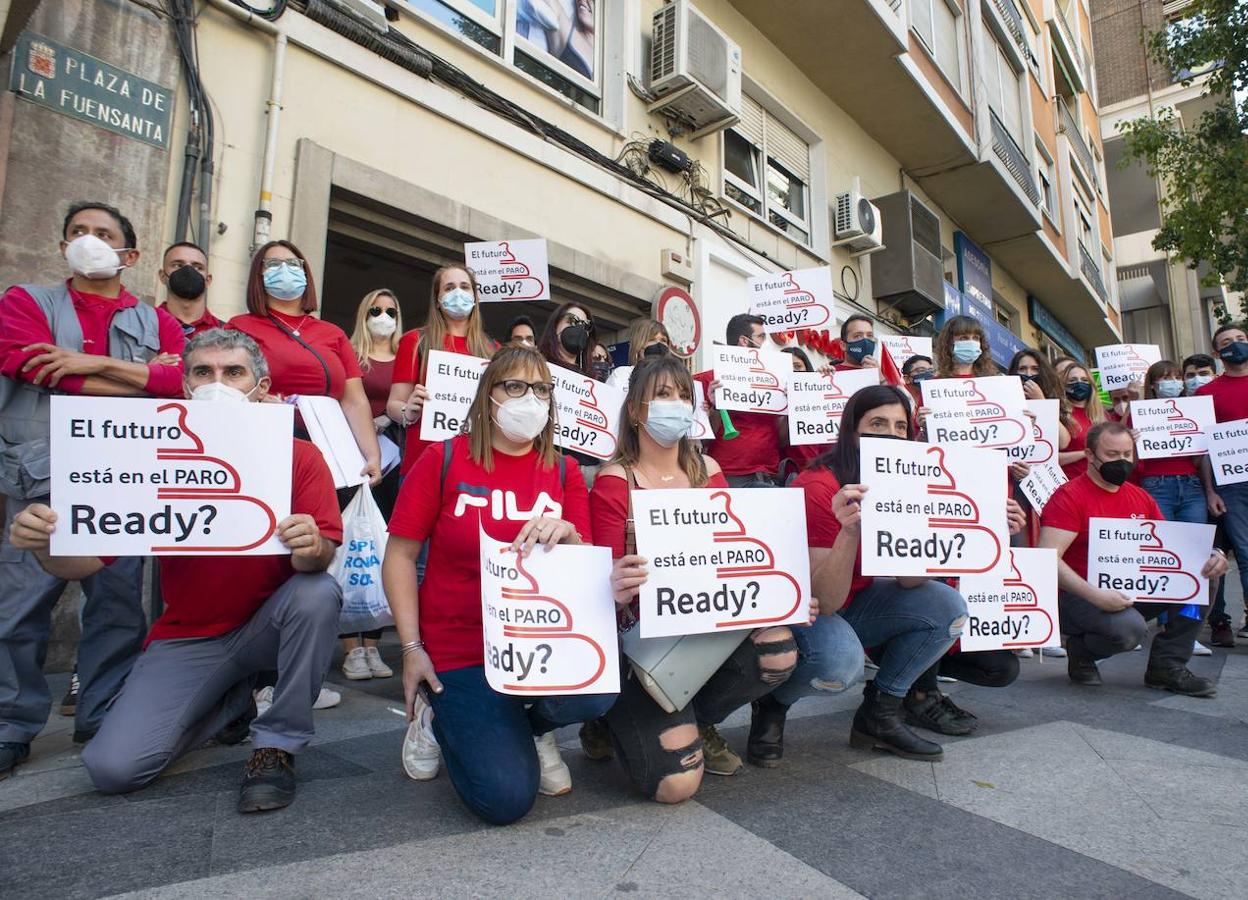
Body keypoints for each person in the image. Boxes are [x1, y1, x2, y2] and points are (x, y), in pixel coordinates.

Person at [8, 329, 345, 810]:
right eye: (203, 372)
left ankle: (276, 744)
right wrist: (44, 545)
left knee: (317, 592)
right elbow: (80, 563)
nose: (217, 384)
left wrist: (311, 544)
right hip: (189, 636)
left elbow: (319, 558)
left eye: (233, 372)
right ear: (185, 386)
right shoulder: (146, 457)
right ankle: (228, 701)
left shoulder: (301, 456)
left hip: (272, 625)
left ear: (262, 387)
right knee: (113, 768)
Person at [382, 345, 615, 825]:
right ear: (488, 396)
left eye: (541, 389)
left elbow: (585, 562)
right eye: (515, 386)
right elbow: (400, 557)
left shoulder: (565, 470)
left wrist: (569, 533)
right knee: (504, 799)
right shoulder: (444, 459)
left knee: (599, 692)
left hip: (540, 640)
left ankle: (531, 726)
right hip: (461, 647)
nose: (530, 398)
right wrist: (411, 649)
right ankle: (437, 717)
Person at [586, 356, 838, 797]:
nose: (676, 404)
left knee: (778, 650)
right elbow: (599, 588)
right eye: (663, 394)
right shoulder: (615, 481)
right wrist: (616, 585)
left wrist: (784, 598)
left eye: (684, 395)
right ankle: (612, 717)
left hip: (708, 629)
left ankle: (697, 720)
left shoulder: (709, 472)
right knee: (676, 786)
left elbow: (732, 558)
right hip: (644, 647)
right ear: (635, 409)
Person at [0, 202, 186, 778]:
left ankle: (101, 711)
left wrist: (79, 364)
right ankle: (11, 724)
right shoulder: (26, 302)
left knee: (117, 603)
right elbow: (28, 364)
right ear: (63, 247)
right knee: (20, 605)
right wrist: (138, 381)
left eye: (103, 234)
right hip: (42, 474)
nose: (89, 240)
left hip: (124, 477)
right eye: (78, 232)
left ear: (130, 254)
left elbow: (181, 380)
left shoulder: (157, 320)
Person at [797, 386, 969, 760]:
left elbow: (909, 580)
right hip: (811, 613)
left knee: (947, 606)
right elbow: (824, 600)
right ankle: (772, 707)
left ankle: (880, 713)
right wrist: (850, 531)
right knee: (840, 662)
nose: (891, 435)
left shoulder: (904, 484)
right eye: (877, 424)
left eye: (900, 426)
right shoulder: (818, 485)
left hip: (859, 603)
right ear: (851, 430)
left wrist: (950, 530)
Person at [1038, 421, 1227, 695]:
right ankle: (1082, 650)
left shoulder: (1141, 497)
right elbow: (1047, 558)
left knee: (1202, 577)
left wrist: (1213, 554)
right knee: (1128, 630)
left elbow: (1175, 548)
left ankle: (1167, 666)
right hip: (1077, 596)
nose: (1122, 461)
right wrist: (1095, 595)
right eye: (1112, 455)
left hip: (1132, 586)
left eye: (1127, 454)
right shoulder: (1069, 496)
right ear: (1090, 455)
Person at [228, 240, 381, 484]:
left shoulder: (333, 333)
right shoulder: (240, 327)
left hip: (330, 450)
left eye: (293, 263)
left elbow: (354, 401)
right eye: (273, 263)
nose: (284, 269)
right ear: (259, 275)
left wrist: (372, 455)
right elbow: (227, 389)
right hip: (266, 442)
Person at [339, 289, 404, 683]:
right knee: (351, 546)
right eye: (376, 310)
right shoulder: (350, 355)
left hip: (393, 463)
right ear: (364, 314)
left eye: (391, 311)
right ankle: (351, 648)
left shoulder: (405, 358)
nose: (383, 316)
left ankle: (373, 645)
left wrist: (390, 418)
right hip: (352, 461)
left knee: (383, 547)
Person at [387, 265, 498, 480]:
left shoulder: (493, 350)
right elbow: (394, 403)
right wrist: (407, 411)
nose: (458, 292)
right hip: (422, 466)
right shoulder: (415, 341)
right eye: (449, 288)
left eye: (464, 287)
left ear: (475, 297)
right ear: (437, 300)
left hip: (473, 467)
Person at [1198, 324, 1248, 645]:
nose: (1236, 345)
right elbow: (1203, 448)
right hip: (1231, 485)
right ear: (1217, 353)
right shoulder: (1206, 394)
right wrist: (1210, 490)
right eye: (1228, 342)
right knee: (1245, 552)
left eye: (1241, 339)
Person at [694, 314, 783, 487]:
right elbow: (699, 441)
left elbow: (781, 435)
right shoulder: (707, 381)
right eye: (761, 337)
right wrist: (715, 407)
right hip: (729, 474)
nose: (765, 344)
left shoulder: (774, 381)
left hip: (769, 473)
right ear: (744, 341)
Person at [778, 346, 830, 481]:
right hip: (790, 476)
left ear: (807, 369)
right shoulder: (775, 404)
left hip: (820, 475)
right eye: (787, 367)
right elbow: (780, 440)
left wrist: (827, 380)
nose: (793, 371)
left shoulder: (820, 398)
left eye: (798, 366)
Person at [158, 242, 221, 338]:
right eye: (178, 265)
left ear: (208, 280)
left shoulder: (225, 333)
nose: (188, 271)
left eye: (198, 267)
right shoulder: (144, 324)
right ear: (162, 276)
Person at [1058, 363, 1103, 480]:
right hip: (1067, 482)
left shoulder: (1101, 415)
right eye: (1072, 380)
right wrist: (1084, 454)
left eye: (1084, 380)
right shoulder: (1058, 414)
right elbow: (1048, 457)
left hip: (1097, 482)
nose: (1079, 383)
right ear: (1064, 385)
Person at [605, 317, 671, 391]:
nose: (658, 344)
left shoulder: (674, 378)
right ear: (638, 345)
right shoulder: (622, 375)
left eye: (663, 340)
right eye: (652, 340)